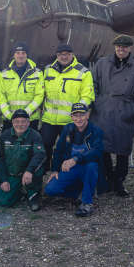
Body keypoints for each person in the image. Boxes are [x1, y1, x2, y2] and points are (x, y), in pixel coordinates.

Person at [90, 35, 134, 197]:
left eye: (124, 47)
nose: (121, 50)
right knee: (103, 148)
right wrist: (98, 103)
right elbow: (92, 84)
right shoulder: (102, 64)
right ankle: (108, 179)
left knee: (123, 150)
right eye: (118, 47)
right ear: (114, 47)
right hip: (103, 111)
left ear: (130, 49)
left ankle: (119, 180)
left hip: (125, 111)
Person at [34, 43, 94, 171]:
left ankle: (65, 172)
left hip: (69, 121)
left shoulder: (83, 72)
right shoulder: (48, 69)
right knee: (45, 145)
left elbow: (87, 95)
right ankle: (44, 171)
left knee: (68, 148)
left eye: (67, 54)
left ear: (72, 55)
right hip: (49, 119)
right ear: (57, 55)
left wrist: (78, 114)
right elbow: (41, 91)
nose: (64, 57)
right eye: (61, 54)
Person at [44, 103, 105, 217]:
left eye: (82, 115)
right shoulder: (68, 129)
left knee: (92, 166)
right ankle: (77, 193)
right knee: (50, 190)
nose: (79, 118)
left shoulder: (96, 131)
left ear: (87, 115)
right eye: (75, 115)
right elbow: (59, 150)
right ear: (71, 117)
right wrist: (55, 170)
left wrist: (76, 159)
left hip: (87, 168)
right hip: (71, 169)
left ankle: (87, 203)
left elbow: (96, 152)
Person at [0, 109, 45, 211]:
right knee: (1, 202)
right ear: (12, 122)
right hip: (13, 175)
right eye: (17, 121)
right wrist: (3, 180)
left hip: (29, 174)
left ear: (28, 122)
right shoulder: (5, 136)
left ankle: (33, 195)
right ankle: (20, 192)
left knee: (38, 169)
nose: (20, 124)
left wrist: (29, 171)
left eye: (23, 121)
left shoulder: (35, 135)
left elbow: (40, 155)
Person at [0, 42, 42, 132]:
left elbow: (39, 95)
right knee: (8, 145)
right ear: (13, 55)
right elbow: (1, 96)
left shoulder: (37, 73)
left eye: (23, 53)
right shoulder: (4, 74)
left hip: (30, 119)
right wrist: (8, 114)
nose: (20, 56)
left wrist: (26, 113)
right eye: (18, 53)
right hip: (9, 118)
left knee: (29, 145)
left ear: (27, 55)